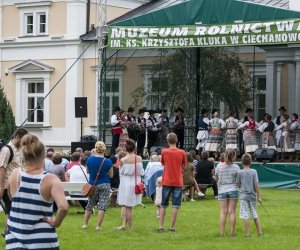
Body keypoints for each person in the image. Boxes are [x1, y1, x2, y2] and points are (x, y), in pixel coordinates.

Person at [5, 134, 68, 249]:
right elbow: (63, 206)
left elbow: (12, 199)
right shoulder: (51, 179)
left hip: (14, 239)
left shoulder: (14, 174)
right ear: (43, 155)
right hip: (43, 240)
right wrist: (56, 223)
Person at [158, 133, 186, 232]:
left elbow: (162, 163)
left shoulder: (164, 151)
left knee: (163, 204)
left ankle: (161, 226)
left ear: (168, 141)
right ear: (176, 140)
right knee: (175, 205)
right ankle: (172, 227)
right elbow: (183, 164)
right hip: (178, 180)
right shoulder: (182, 152)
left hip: (166, 180)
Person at [82, 141, 113, 230]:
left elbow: (87, 171)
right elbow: (111, 175)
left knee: (90, 204)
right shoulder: (108, 161)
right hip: (104, 184)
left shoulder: (90, 159)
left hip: (92, 184)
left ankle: (85, 224)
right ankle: (98, 226)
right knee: (102, 205)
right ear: (104, 150)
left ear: (96, 149)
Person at [115, 139, 144, 230]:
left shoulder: (122, 160)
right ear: (134, 148)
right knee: (128, 205)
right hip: (135, 181)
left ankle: (129, 227)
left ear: (126, 149)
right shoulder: (139, 158)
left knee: (127, 205)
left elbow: (121, 172)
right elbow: (141, 172)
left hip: (126, 182)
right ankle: (124, 225)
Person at [0, 128, 28, 218]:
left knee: (16, 213)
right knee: (10, 213)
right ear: (17, 137)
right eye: (23, 140)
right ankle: (8, 232)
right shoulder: (6, 150)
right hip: (7, 187)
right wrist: (0, 188)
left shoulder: (20, 149)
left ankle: (9, 231)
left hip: (18, 186)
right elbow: (2, 169)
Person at [215, 149, 240, 237]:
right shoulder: (236, 167)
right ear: (233, 156)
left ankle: (221, 233)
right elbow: (238, 181)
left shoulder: (219, 166)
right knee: (232, 212)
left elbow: (217, 178)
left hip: (222, 190)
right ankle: (232, 232)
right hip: (233, 189)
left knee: (223, 212)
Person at [237, 153, 262, 237]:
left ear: (241, 162)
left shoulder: (239, 172)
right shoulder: (254, 171)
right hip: (252, 196)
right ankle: (259, 232)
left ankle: (247, 234)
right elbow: (256, 185)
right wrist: (258, 196)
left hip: (243, 196)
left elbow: (238, 184)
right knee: (254, 214)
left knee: (245, 215)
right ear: (251, 161)